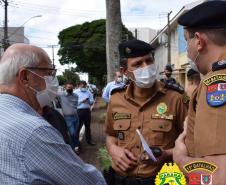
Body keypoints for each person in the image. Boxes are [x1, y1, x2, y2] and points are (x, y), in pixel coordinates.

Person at [0, 43, 106, 185]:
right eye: (49, 73)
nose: (54, 81)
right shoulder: (34, 130)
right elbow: (88, 181)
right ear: (25, 77)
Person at [105, 39, 188, 185]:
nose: (146, 67)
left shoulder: (176, 98)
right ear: (125, 71)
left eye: (149, 61)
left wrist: (166, 154)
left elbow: (191, 141)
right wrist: (113, 149)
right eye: (137, 64)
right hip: (121, 179)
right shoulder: (116, 99)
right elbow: (111, 135)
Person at [173, 1, 226, 184]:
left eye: (186, 40)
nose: (187, 50)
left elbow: (218, 177)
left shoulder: (218, 81)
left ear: (199, 41)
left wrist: (181, 160)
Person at [59, 82, 80, 152]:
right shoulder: (61, 95)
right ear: (65, 88)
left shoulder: (76, 95)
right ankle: (73, 148)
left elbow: (76, 105)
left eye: (71, 88)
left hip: (76, 117)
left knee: (75, 133)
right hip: (68, 118)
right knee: (72, 133)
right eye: (68, 88)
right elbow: (52, 93)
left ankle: (77, 145)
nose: (70, 89)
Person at [75, 80, 95, 145]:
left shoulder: (88, 92)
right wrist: (81, 101)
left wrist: (88, 100)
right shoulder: (75, 92)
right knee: (78, 126)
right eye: (82, 85)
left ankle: (89, 141)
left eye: (84, 85)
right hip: (79, 111)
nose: (83, 86)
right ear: (79, 85)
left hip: (87, 111)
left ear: (86, 85)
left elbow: (92, 102)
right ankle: (76, 142)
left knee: (88, 126)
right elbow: (74, 103)